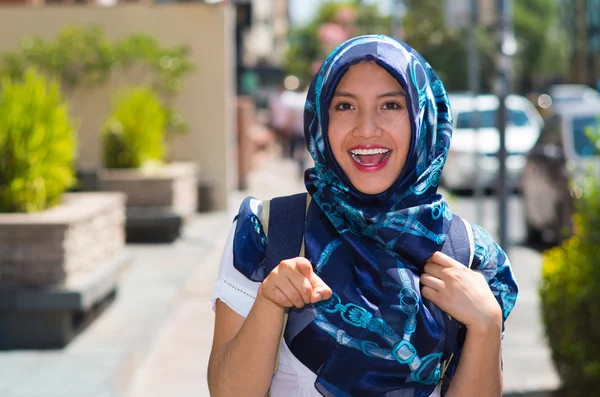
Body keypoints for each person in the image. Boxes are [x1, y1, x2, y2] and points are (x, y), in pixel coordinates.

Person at [208, 35, 518, 397]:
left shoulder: (468, 254)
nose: (367, 129)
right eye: (344, 106)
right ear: (320, 118)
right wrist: (269, 302)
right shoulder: (269, 231)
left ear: (423, 116)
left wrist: (486, 324)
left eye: (390, 105)